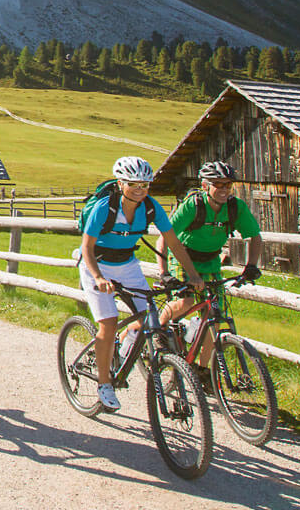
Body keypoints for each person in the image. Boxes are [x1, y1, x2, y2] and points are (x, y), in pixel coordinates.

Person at [78, 155, 202, 412]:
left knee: (149, 315)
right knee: (108, 323)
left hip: (127, 264)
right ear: (120, 183)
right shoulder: (105, 207)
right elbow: (86, 248)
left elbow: (174, 243)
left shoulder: (151, 207)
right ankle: (104, 384)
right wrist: (99, 278)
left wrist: (193, 274)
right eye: (134, 184)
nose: (140, 190)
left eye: (145, 185)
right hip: (96, 265)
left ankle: (124, 347)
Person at [159, 161, 263, 373]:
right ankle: (159, 329)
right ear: (206, 186)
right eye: (218, 184)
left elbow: (254, 236)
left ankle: (202, 369)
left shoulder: (235, 207)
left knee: (214, 318)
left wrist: (251, 265)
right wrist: (164, 272)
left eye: (227, 185)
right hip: (182, 258)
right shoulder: (193, 205)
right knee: (186, 301)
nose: (224, 189)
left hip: (211, 261)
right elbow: (166, 236)